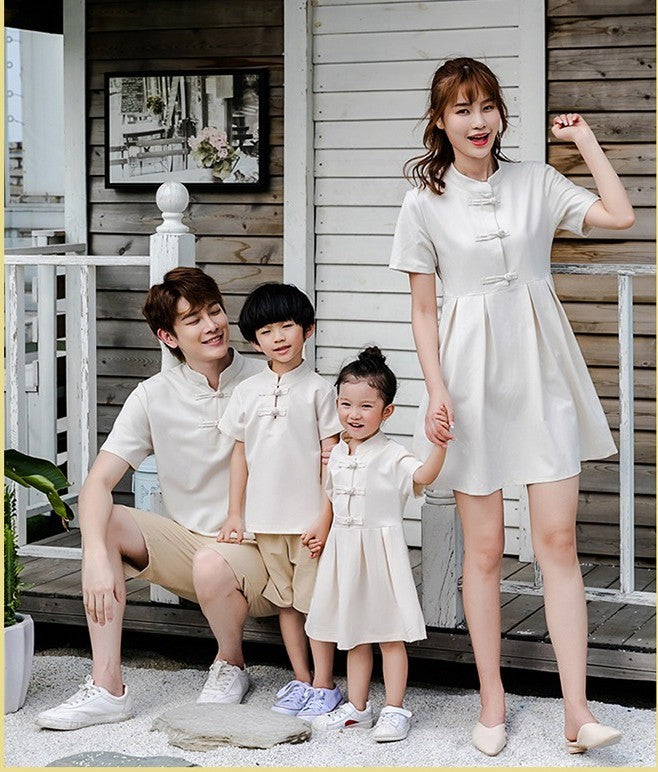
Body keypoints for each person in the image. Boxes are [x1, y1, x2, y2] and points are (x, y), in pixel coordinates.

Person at [389, 57, 633, 755]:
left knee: (557, 543)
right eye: (462, 109)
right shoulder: (422, 202)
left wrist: (583, 140)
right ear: (441, 121)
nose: (478, 121)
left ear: (501, 114)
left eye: (487, 106)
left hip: (543, 374)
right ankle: (491, 701)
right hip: (467, 380)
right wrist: (436, 389)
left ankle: (577, 710)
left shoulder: (536, 181)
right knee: (487, 551)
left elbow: (618, 215)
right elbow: (423, 311)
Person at [36, 267, 278, 731]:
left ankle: (231, 664)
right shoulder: (153, 396)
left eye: (214, 311)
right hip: (191, 549)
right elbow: (97, 484)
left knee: (213, 562)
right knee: (104, 520)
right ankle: (107, 688)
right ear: (169, 336)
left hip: (258, 552)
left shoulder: (265, 377)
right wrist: (93, 558)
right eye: (193, 320)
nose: (212, 325)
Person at [304, 347, 449, 742]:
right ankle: (358, 707)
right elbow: (330, 500)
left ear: (387, 412)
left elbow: (425, 475)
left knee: (388, 634)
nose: (354, 414)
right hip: (344, 552)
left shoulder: (392, 455)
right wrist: (321, 529)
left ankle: (395, 708)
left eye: (366, 406)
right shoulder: (334, 455)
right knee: (353, 633)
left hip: (380, 555)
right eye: (346, 404)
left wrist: (440, 445)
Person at [217, 282, 343, 719]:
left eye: (287, 325)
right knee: (286, 603)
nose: (278, 337)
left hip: (310, 521)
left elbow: (334, 458)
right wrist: (236, 513)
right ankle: (301, 678)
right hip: (265, 521)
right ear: (254, 341)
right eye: (267, 331)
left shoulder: (320, 390)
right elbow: (240, 455)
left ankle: (325, 683)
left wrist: (326, 517)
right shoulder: (247, 392)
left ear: (307, 329)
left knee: (316, 602)